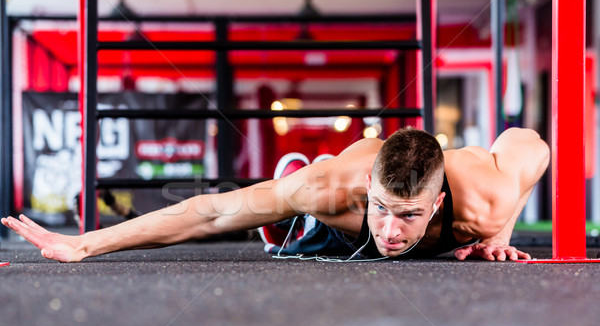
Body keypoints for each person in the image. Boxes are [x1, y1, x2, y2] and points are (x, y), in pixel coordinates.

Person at [1, 127, 549, 263]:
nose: (389, 230)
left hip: (454, 196)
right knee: (306, 200)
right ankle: (297, 217)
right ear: (367, 190)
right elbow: (211, 212)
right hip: (333, 202)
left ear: (433, 206)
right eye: (382, 208)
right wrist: (85, 245)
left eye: (406, 217)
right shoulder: (338, 192)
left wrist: (499, 231)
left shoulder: (485, 196)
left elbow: (532, 146)